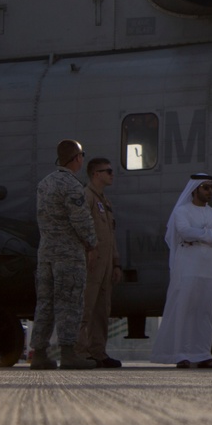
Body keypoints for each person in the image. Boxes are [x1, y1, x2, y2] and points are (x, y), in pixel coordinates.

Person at [30, 139, 98, 370]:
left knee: (45, 303)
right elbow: (80, 220)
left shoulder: (44, 183)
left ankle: (39, 353)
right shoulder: (71, 185)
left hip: (46, 252)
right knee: (69, 302)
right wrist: (91, 243)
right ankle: (69, 354)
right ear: (76, 158)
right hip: (68, 254)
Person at [151, 174, 212, 368]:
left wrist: (200, 236)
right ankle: (179, 353)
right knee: (184, 308)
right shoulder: (181, 211)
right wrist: (210, 235)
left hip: (209, 268)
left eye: (211, 188)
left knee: (205, 311)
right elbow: (184, 231)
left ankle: (202, 353)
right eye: (205, 188)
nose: (209, 192)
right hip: (188, 266)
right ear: (195, 189)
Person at [76, 157, 123, 368]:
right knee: (86, 307)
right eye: (108, 171)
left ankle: (98, 351)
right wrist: (87, 251)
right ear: (96, 174)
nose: (112, 175)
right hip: (91, 262)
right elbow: (80, 227)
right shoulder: (86, 197)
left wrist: (116, 263)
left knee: (102, 309)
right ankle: (81, 352)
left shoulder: (105, 201)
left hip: (105, 263)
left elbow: (110, 235)